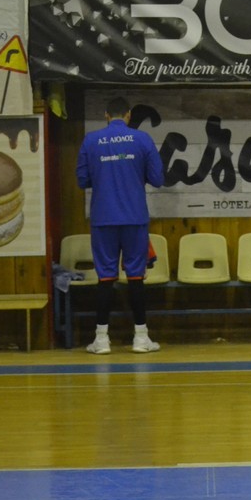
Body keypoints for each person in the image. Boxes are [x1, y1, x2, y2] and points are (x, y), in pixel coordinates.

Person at [75, 96, 165, 354]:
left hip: (103, 218)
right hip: (135, 217)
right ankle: (141, 338)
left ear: (106, 115)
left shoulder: (91, 141)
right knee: (136, 276)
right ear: (128, 115)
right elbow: (158, 179)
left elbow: (82, 180)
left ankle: (101, 340)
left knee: (105, 277)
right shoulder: (142, 139)